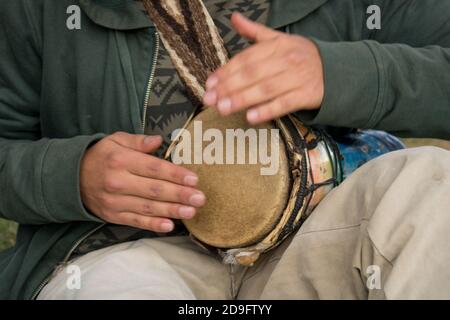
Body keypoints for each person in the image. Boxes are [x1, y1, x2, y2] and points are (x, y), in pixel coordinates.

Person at [0, 0, 449, 300]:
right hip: (125, 257)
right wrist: (71, 175)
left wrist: (339, 73)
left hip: (317, 235)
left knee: (434, 185)